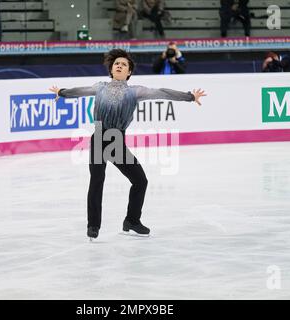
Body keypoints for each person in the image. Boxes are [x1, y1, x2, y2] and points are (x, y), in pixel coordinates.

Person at [49, 49, 206, 240]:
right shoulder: (100, 87)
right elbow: (79, 91)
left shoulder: (135, 91)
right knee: (97, 181)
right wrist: (62, 92)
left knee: (140, 181)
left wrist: (189, 96)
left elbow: (162, 93)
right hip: (99, 136)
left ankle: (131, 221)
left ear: (129, 72)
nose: (119, 65)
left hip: (117, 141)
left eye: (124, 64)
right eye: (116, 63)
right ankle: (93, 226)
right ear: (111, 69)